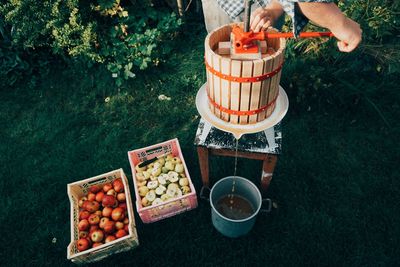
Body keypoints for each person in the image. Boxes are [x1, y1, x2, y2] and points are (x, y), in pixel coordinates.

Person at [201, 0, 362, 52]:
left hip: (262, 5)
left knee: (259, 59)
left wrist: (274, 8)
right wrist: (339, 24)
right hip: (225, 4)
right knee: (224, 52)